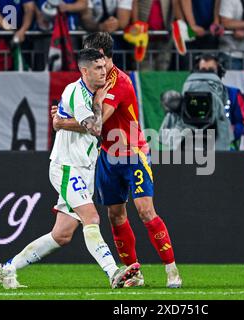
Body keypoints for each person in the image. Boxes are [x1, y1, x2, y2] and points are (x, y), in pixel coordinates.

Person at [0, 48, 140, 290]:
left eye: (104, 67)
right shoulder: (76, 92)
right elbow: (94, 127)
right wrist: (97, 104)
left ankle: (8, 267)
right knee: (91, 217)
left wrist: (61, 121)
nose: (104, 72)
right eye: (98, 68)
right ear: (84, 70)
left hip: (85, 169)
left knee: (61, 235)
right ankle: (114, 272)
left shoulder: (92, 93)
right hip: (67, 166)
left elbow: (86, 124)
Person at [52, 32, 182, 288]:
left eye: (94, 56)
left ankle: (172, 270)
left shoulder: (118, 83)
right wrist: (66, 113)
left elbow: (96, 124)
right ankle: (134, 274)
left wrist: (61, 122)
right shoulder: (90, 83)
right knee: (115, 216)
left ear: (103, 55)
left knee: (145, 210)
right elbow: (81, 111)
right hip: (108, 157)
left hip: (133, 153)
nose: (90, 63)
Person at [196, 54, 244, 150]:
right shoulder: (191, 96)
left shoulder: (233, 93)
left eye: (211, 70)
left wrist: (229, 132)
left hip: (226, 150)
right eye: (203, 71)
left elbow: (242, 123)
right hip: (198, 150)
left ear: (219, 72)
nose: (207, 74)